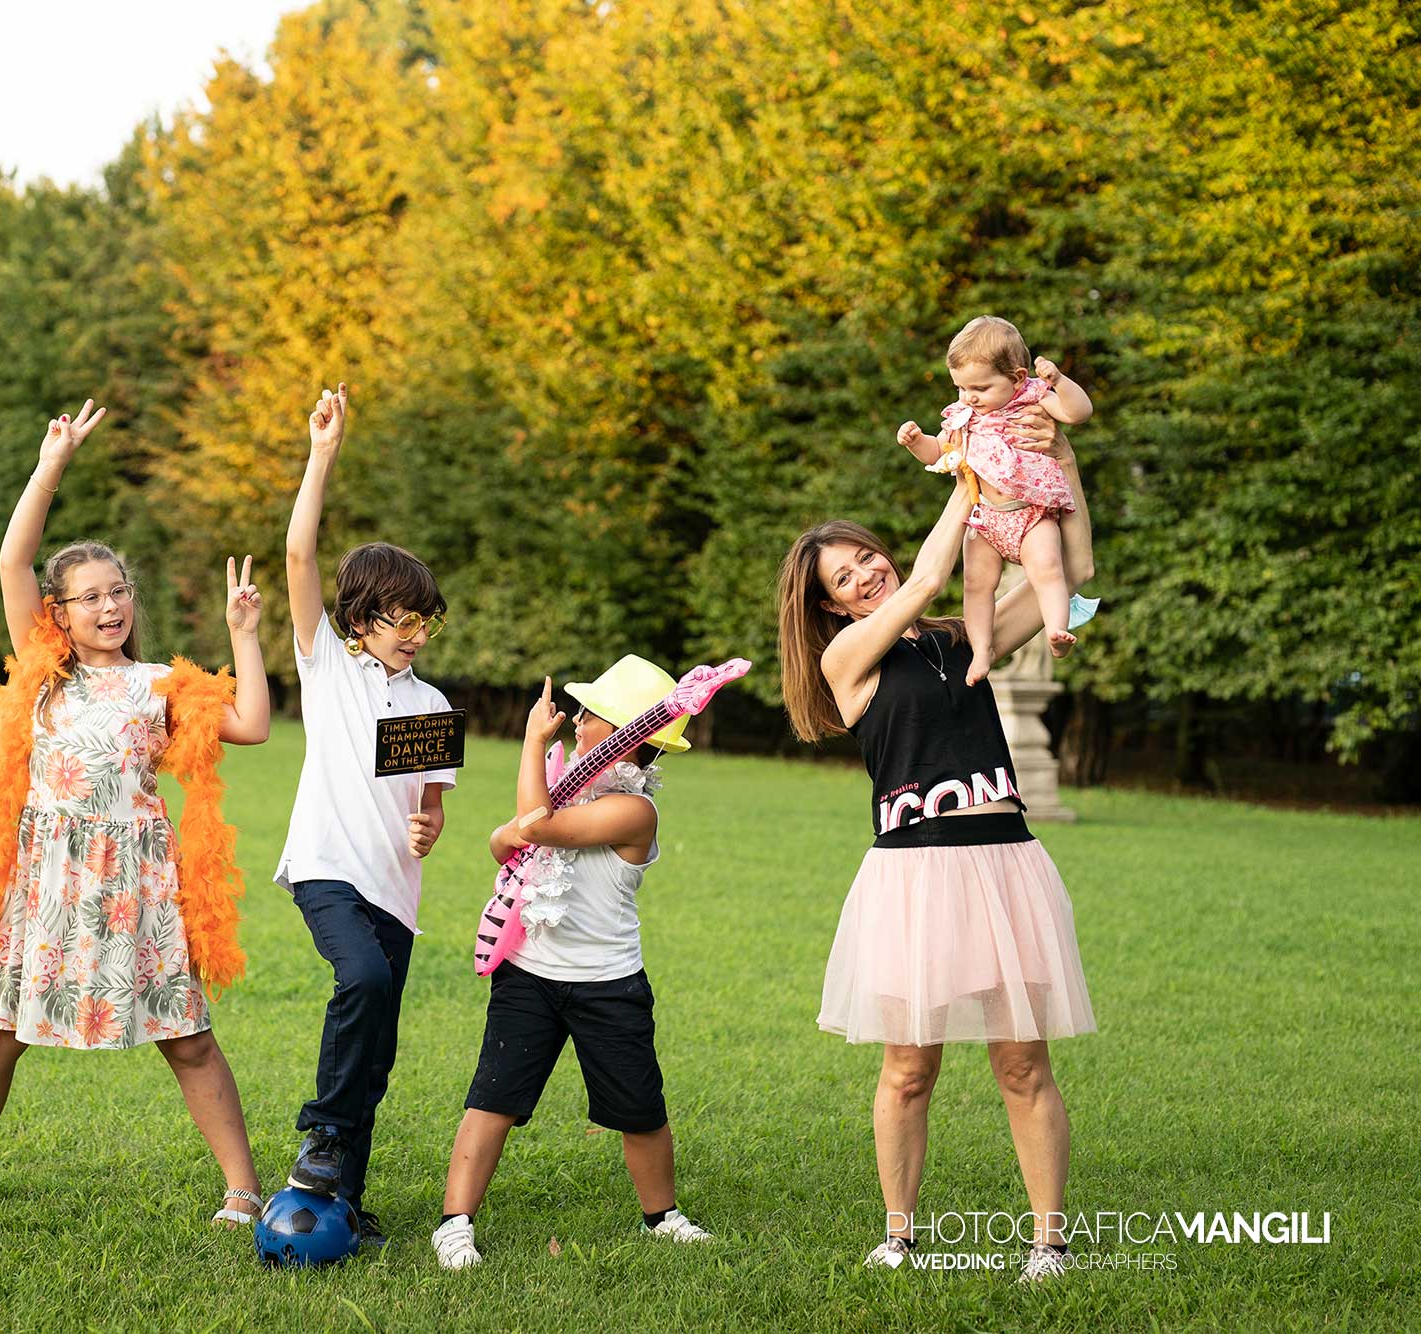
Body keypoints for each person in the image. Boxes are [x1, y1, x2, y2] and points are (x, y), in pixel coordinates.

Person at [0, 397, 271, 1227]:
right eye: (90, 597)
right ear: (57, 614)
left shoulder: (159, 685)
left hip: (136, 879)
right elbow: (12, 558)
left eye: (119, 592)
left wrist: (244, 632)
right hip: (45, 879)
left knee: (188, 1038)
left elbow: (250, 724)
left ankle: (242, 1187)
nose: (110, 607)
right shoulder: (46, 672)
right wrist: (52, 464)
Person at [776, 414, 1098, 1284]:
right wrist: (968, 475)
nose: (867, 575)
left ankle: (1050, 1243)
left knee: (1024, 1063)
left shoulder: (966, 637)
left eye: (865, 558)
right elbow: (923, 576)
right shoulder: (849, 658)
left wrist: (1056, 461)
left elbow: (1077, 575)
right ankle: (898, 1234)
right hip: (914, 880)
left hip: (1006, 866)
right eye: (846, 578)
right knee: (909, 1070)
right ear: (831, 606)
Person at [432, 663, 712, 1271]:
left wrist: (531, 745)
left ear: (631, 736)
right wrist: (507, 836)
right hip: (528, 975)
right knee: (493, 1098)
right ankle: (455, 1224)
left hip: (608, 984)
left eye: (592, 714)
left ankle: (663, 1217)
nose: (577, 720)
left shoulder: (634, 810)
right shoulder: (564, 784)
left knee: (639, 1108)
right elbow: (509, 840)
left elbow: (542, 826)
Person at [278, 384, 455, 1247]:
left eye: (425, 621)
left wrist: (430, 828)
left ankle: (343, 1199)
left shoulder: (430, 701)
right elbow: (300, 554)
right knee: (365, 982)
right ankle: (319, 1137)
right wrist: (322, 456)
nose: (415, 634)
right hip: (325, 869)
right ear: (359, 618)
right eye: (400, 618)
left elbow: (428, 812)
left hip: (396, 891)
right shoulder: (330, 669)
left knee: (376, 1050)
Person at [896, 315, 1095, 683]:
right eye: (960, 388)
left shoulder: (1032, 400)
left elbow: (1078, 412)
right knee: (976, 584)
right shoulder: (965, 417)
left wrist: (1060, 382)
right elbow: (939, 451)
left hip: (1030, 514)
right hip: (986, 517)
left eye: (980, 388)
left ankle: (1056, 630)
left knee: (1048, 569)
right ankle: (982, 650)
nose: (968, 397)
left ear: (1018, 377)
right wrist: (916, 442)